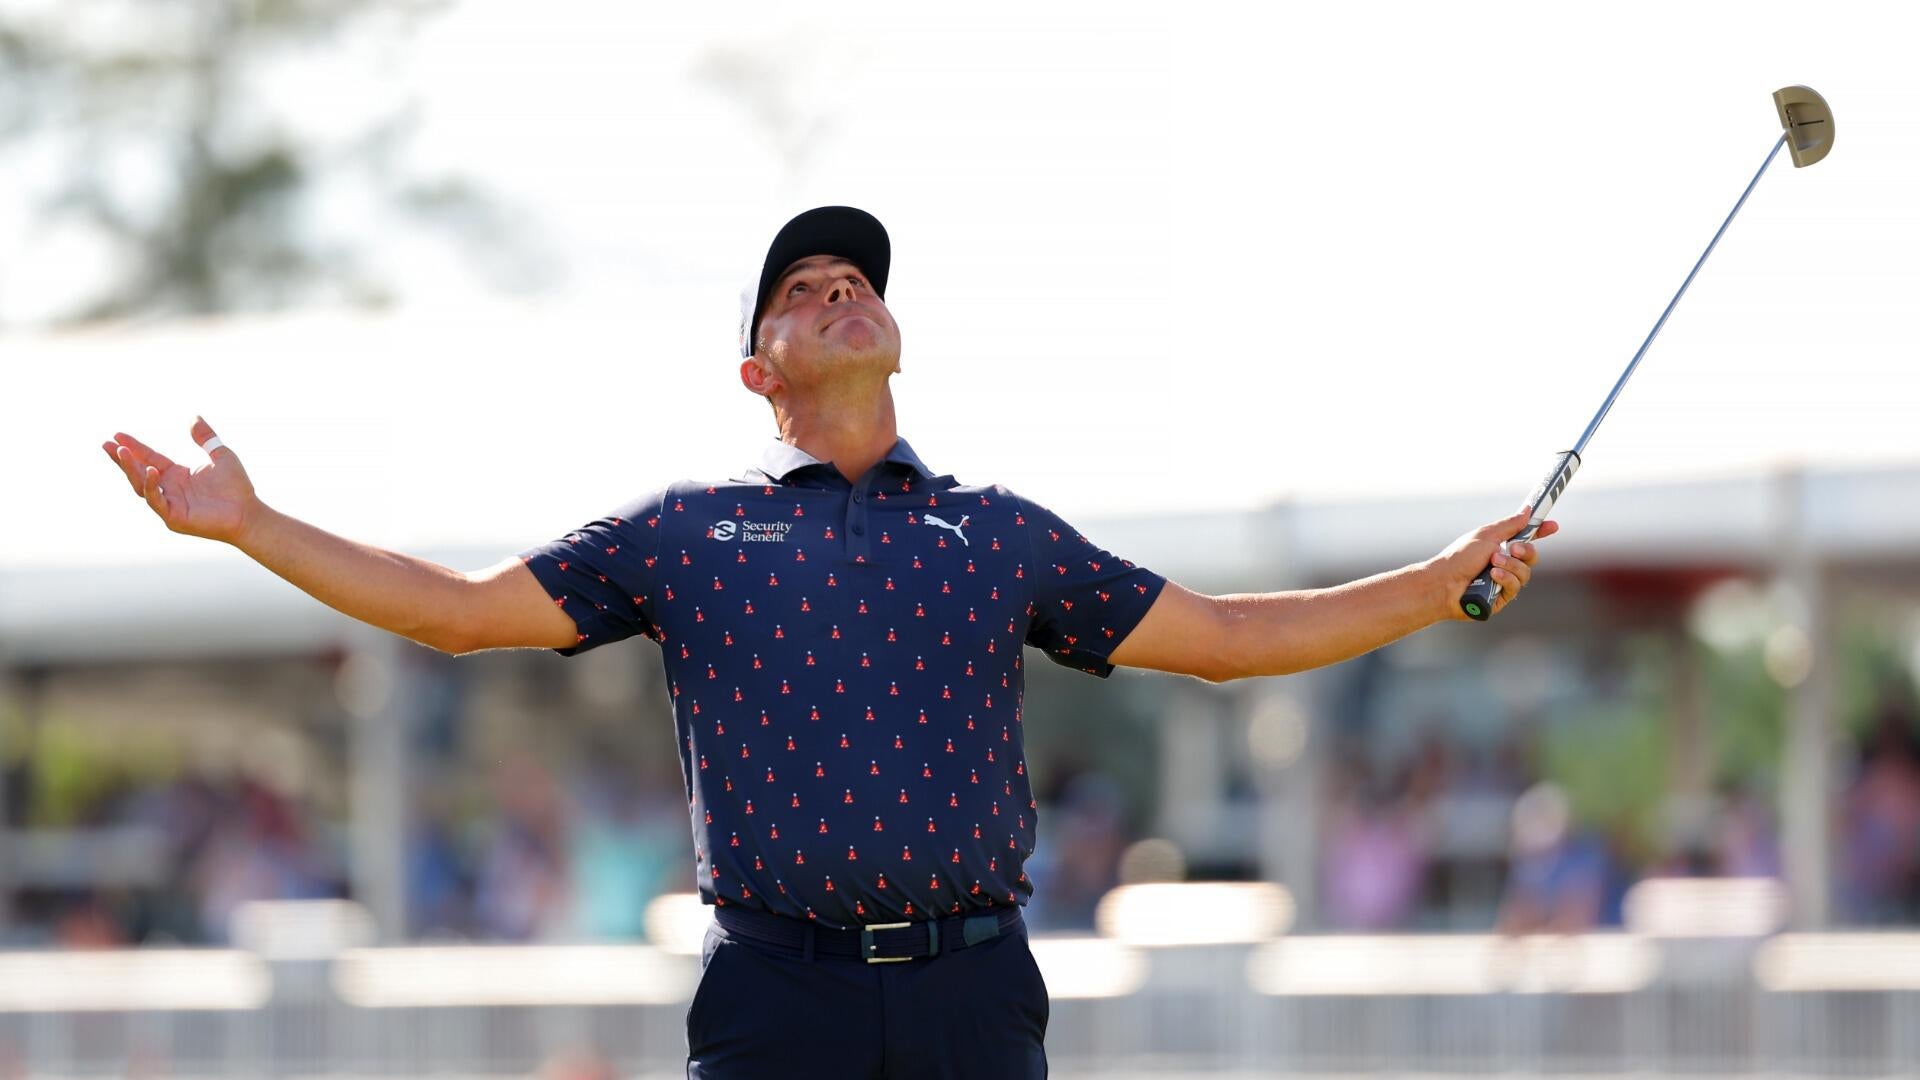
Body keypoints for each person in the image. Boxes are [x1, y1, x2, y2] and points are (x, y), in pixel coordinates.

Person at [102, 205, 1556, 1078]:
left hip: (975, 987)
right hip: (775, 991)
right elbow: (461, 611)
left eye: (854, 279)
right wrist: (253, 524)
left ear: (896, 338)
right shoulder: (682, 531)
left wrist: (1439, 583)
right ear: (761, 371)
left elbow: (1232, 636)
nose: (836, 291)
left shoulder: (1001, 531)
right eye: (800, 292)